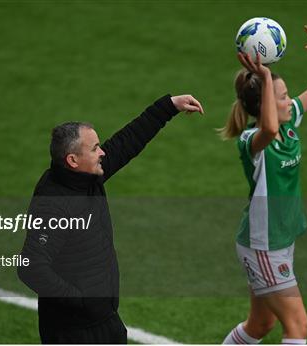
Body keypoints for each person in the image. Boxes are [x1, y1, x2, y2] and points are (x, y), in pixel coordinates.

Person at [17, 94, 204, 344]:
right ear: (73, 160)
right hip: (74, 331)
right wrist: (81, 300)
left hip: (103, 320)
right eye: (94, 148)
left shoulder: (86, 176)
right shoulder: (55, 203)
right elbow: (31, 266)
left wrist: (169, 106)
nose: (102, 152)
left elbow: (126, 143)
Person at [220, 20, 307, 344]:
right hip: (264, 246)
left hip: (280, 240)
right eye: (282, 97)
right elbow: (268, 129)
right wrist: (267, 77)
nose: (290, 102)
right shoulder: (251, 141)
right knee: (298, 326)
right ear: (266, 104)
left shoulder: (288, 120)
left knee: (259, 325)